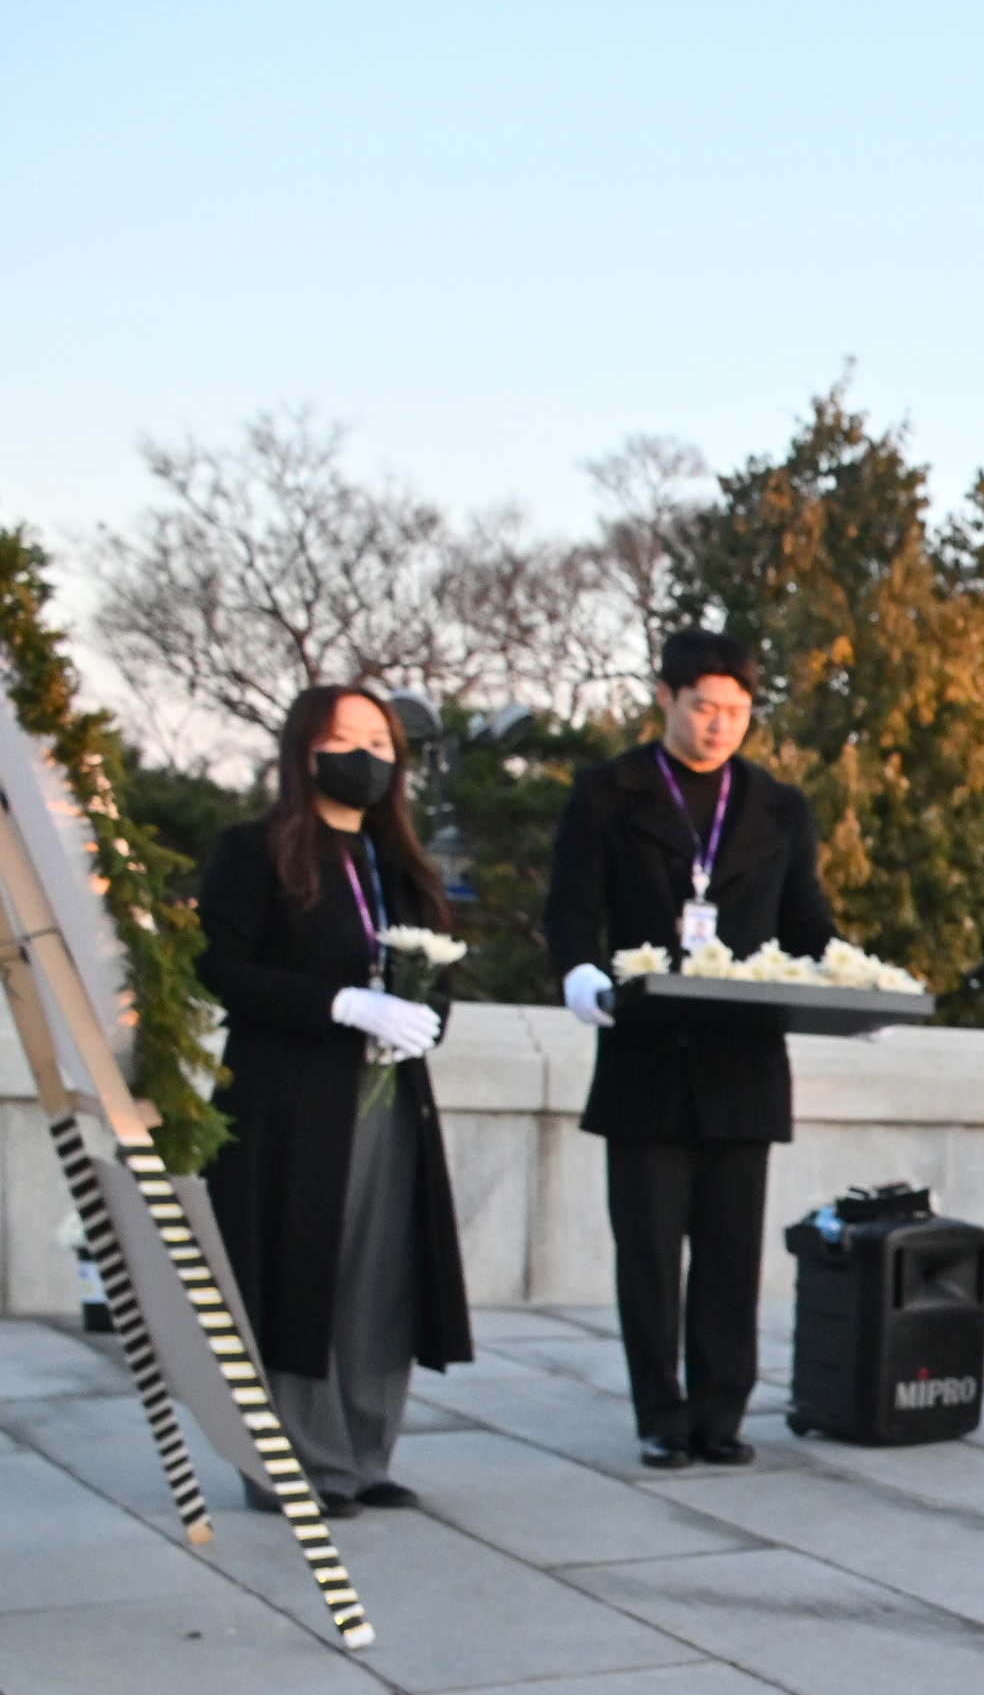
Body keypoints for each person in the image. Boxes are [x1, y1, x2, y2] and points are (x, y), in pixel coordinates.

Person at [545, 630, 837, 1467]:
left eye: (737, 712)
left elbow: (805, 922)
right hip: (645, 1054)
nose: (719, 726)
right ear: (666, 698)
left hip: (741, 1060)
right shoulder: (609, 792)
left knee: (731, 1252)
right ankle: (660, 1414)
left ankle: (721, 1412)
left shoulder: (778, 806)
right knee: (647, 1249)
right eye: (704, 707)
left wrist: (858, 986)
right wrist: (575, 975)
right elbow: (571, 907)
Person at [196, 685, 477, 1515]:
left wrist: (419, 1022)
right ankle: (289, 1460)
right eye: (346, 737)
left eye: (382, 742)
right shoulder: (256, 851)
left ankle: (363, 1453)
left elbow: (438, 974)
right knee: (294, 1269)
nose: (367, 756)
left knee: (379, 1277)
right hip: (290, 1102)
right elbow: (221, 967)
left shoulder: (401, 867)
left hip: (386, 1099)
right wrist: (338, 1004)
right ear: (304, 749)